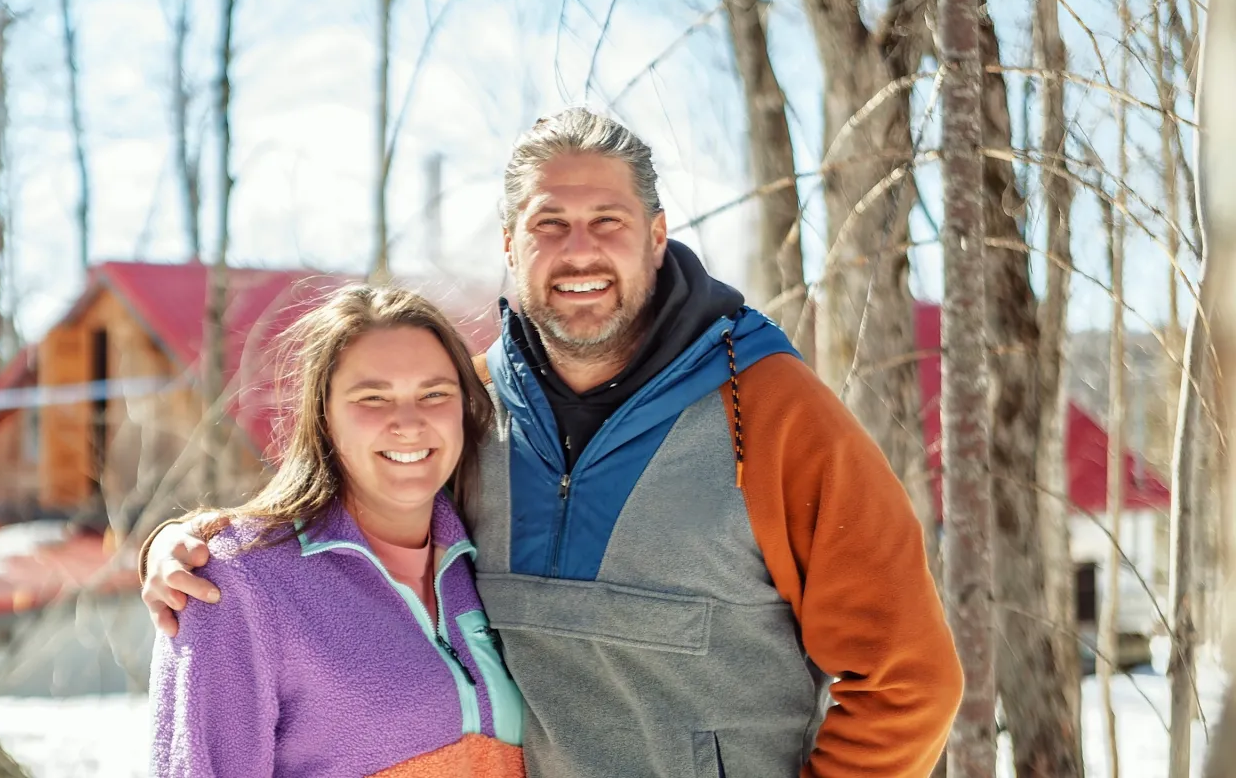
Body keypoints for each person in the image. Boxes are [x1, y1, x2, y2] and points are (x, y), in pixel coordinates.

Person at [142, 109, 964, 777]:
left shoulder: (774, 410)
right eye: (549, 224)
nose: (579, 251)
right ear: (509, 244)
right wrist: (184, 546)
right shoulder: (463, 407)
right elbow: (344, 513)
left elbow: (908, 678)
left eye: (607, 220)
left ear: (655, 234)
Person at [146, 285, 527, 777]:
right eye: (373, 398)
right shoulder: (238, 582)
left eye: (434, 394)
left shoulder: (487, 555)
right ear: (324, 416)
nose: (409, 424)